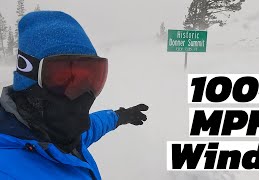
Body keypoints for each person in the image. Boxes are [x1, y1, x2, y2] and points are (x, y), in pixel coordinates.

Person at [0, 11, 148, 180]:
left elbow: (92, 128)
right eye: (63, 77)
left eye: (91, 77)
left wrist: (119, 116)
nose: (82, 94)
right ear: (29, 78)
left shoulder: (63, 138)